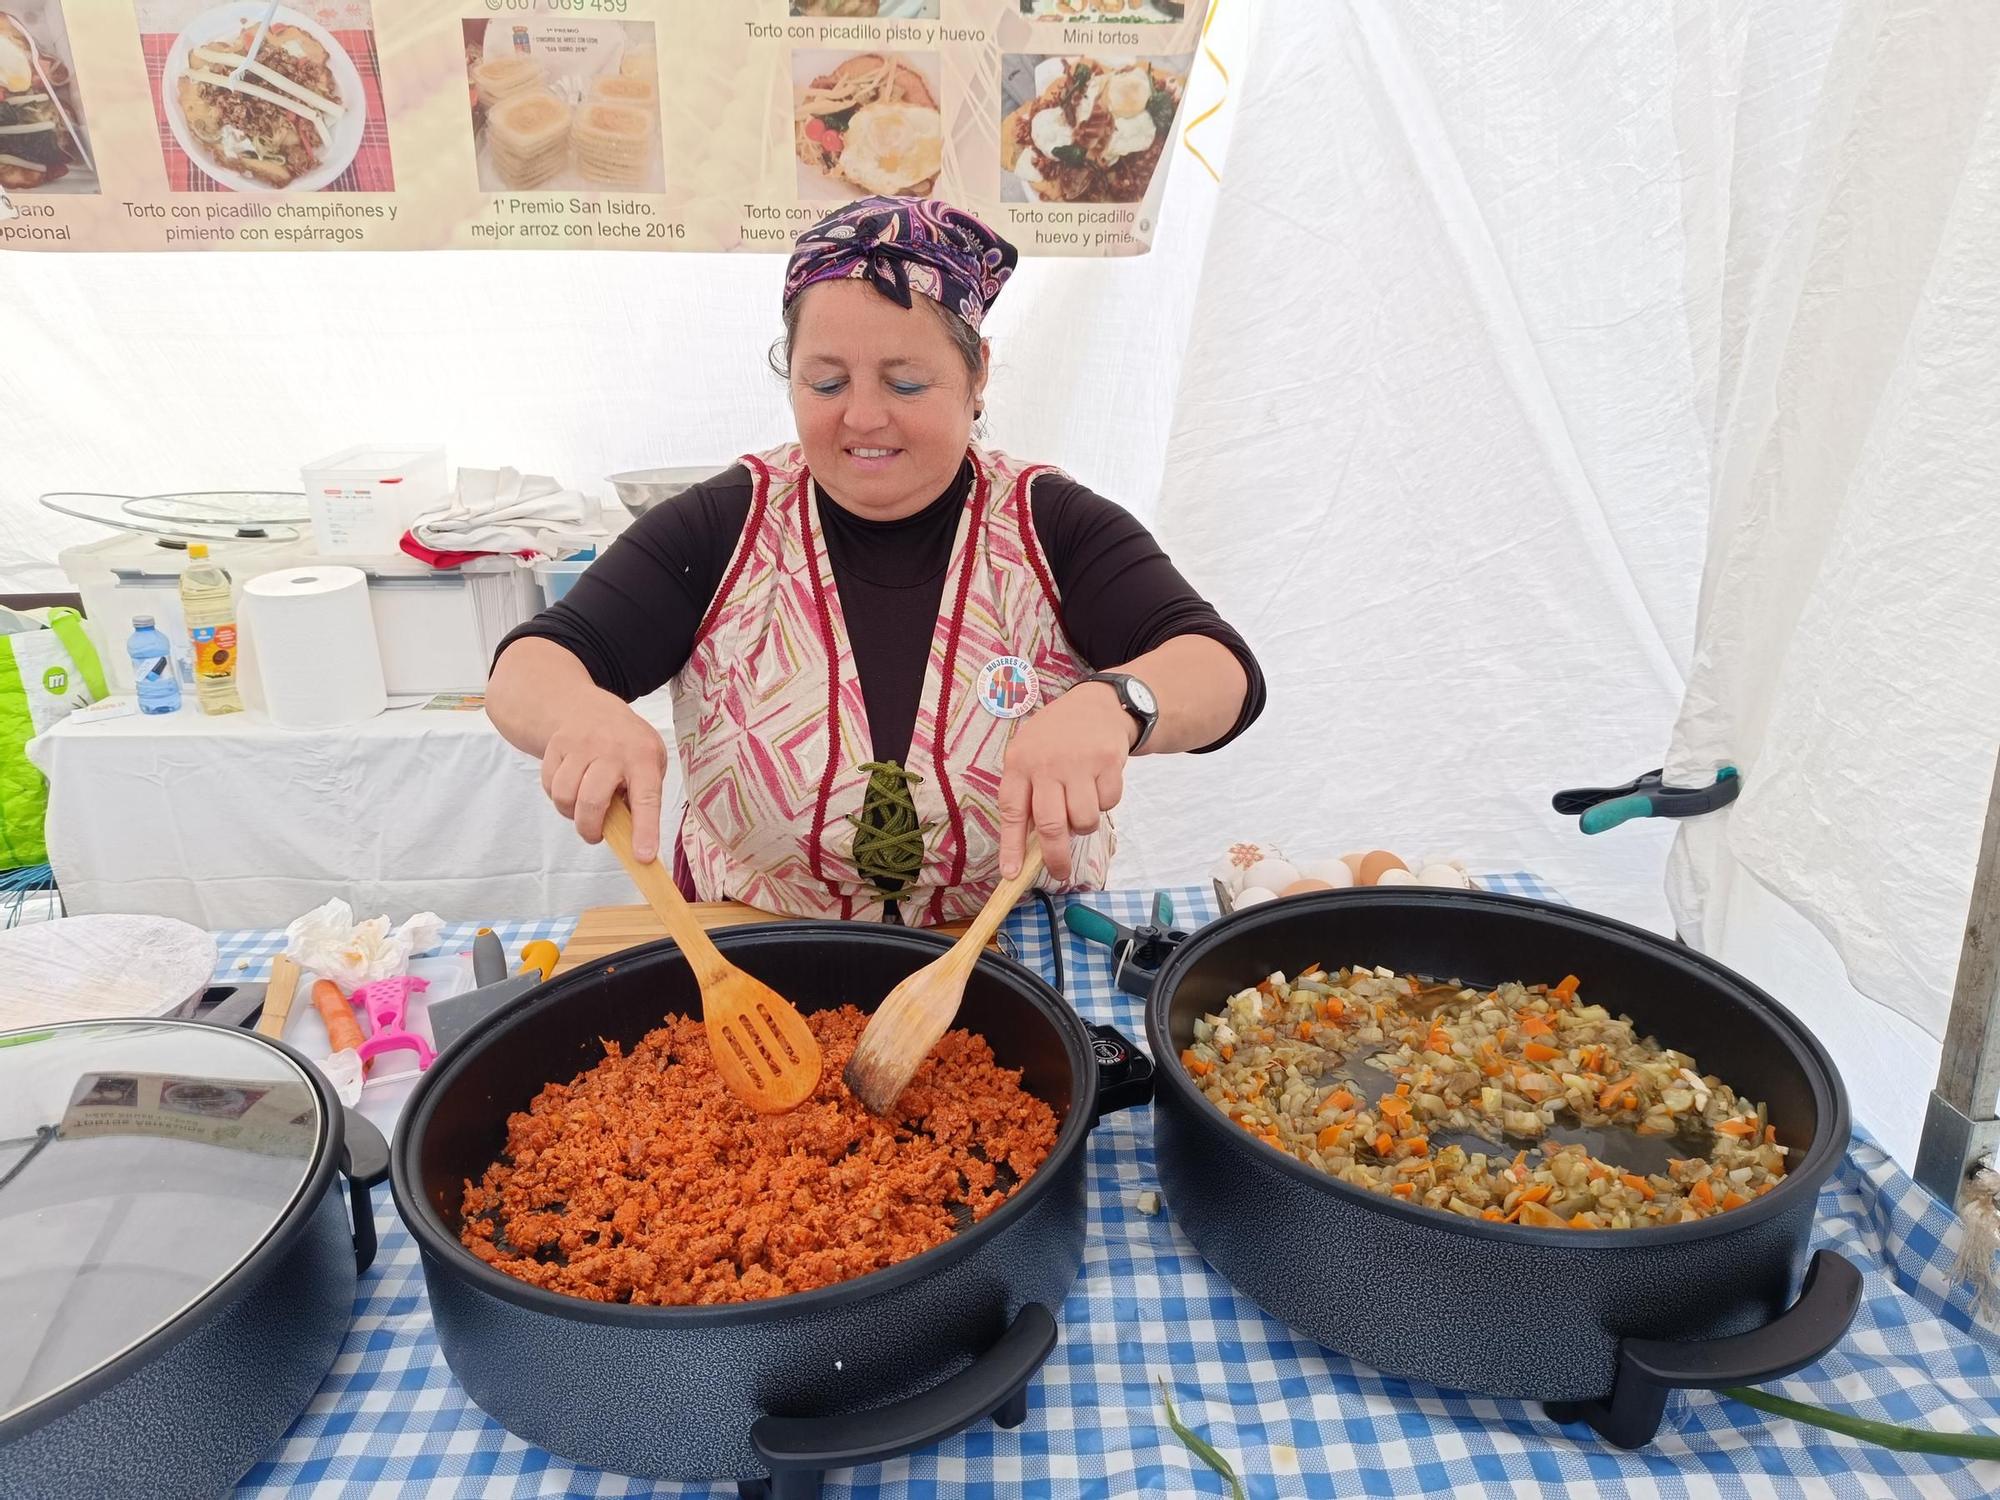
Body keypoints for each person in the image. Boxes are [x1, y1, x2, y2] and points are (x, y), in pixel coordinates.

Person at [488, 195, 1264, 925]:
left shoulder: (1050, 524)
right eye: (826, 381)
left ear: (978, 373)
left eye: (906, 382)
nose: (863, 417)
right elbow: (532, 667)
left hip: (1015, 947)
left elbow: (1220, 670)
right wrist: (579, 710)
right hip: (753, 952)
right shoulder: (723, 525)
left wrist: (1116, 704)